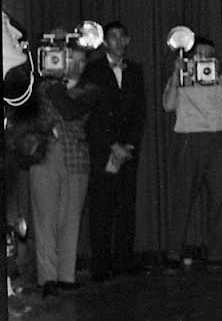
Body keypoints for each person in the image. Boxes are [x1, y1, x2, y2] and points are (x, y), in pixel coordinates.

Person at [162, 34, 222, 269]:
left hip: (214, 140)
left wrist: (219, 74)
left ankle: (217, 253)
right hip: (189, 140)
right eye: (200, 54)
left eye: (209, 55)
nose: (204, 58)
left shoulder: (215, 78)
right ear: (191, 55)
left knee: (219, 197)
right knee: (183, 198)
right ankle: (174, 253)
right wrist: (177, 74)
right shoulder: (183, 76)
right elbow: (167, 105)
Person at [28, 43, 98, 296]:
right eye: (71, 59)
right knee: (45, 218)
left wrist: (56, 84)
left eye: (81, 61)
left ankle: (66, 276)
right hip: (45, 154)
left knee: (70, 219)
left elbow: (70, 111)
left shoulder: (89, 89)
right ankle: (48, 278)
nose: (76, 65)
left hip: (75, 157)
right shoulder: (40, 85)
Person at [81, 21, 146, 281]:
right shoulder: (93, 69)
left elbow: (139, 112)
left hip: (127, 149)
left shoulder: (135, 70)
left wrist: (128, 145)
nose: (118, 41)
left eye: (122, 36)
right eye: (113, 37)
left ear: (128, 40)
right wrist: (112, 145)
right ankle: (100, 265)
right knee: (102, 207)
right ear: (105, 42)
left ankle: (123, 261)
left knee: (126, 206)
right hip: (103, 148)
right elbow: (91, 113)